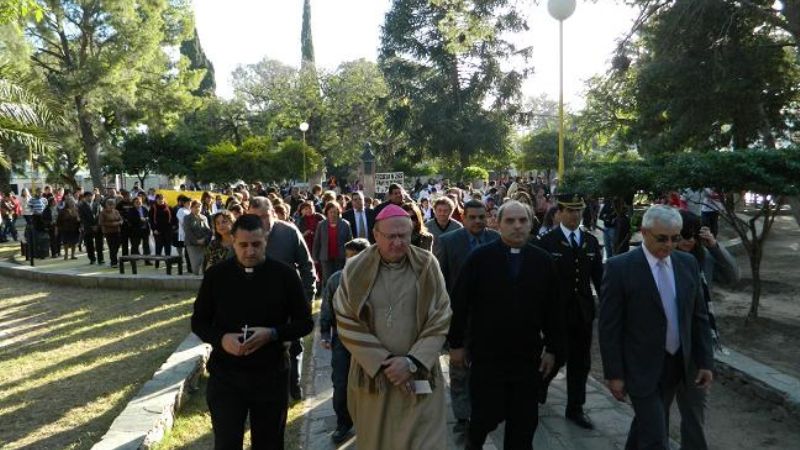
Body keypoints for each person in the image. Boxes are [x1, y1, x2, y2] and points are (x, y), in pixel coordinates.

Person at [448, 201, 565, 450]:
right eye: (510, 221)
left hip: (526, 358)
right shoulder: (479, 258)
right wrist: (456, 345)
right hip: (487, 357)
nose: (517, 226)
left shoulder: (542, 261)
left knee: (523, 426)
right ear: (497, 224)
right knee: (481, 421)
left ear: (530, 222)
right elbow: (459, 304)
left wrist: (553, 348)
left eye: (522, 220)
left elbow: (553, 310)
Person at [333, 204, 451, 449]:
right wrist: (384, 361)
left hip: (419, 373)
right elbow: (345, 318)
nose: (398, 242)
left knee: (426, 441)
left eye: (403, 236)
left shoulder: (427, 265)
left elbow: (441, 315)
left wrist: (411, 362)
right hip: (374, 377)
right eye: (391, 236)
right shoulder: (355, 268)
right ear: (376, 235)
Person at [191, 214, 314, 450]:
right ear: (232, 242)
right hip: (226, 376)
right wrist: (222, 339)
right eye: (243, 245)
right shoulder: (216, 276)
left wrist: (273, 333)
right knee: (227, 443)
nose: (250, 251)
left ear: (265, 240)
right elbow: (199, 322)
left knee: (269, 444)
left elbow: (305, 323)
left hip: (270, 375)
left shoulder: (285, 275)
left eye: (256, 244)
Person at [599, 205, 714, 450]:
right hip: (640, 367)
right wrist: (614, 374)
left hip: (678, 364)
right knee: (655, 438)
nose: (670, 245)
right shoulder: (620, 267)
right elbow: (610, 327)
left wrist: (705, 361)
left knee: (646, 426)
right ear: (644, 232)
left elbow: (698, 317)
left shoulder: (687, 263)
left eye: (676, 238)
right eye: (662, 238)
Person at [535, 194, 603, 429]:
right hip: (556, 314)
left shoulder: (590, 242)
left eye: (579, 211)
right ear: (559, 213)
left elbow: (599, 279)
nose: (575, 215)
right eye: (571, 211)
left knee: (581, 362)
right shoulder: (546, 243)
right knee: (556, 357)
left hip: (583, 313)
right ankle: (538, 388)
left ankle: (575, 408)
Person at [673, 210, 739, 450]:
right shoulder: (661, 260)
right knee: (653, 412)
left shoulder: (703, 260)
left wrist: (714, 246)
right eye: (682, 234)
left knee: (694, 411)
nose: (688, 240)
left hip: (697, 345)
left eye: (693, 234)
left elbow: (733, 276)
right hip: (665, 346)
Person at [434, 199, 500, 437]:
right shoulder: (448, 242)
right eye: (472, 217)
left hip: (491, 320)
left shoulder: (496, 239)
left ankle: (485, 411)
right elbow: (440, 283)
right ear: (463, 218)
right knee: (459, 370)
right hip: (460, 319)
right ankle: (463, 417)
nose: (478, 221)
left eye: (482, 217)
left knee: (487, 369)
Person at [249, 196, 316, 401]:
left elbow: (307, 266)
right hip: (257, 304)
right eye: (254, 217)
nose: (260, 222)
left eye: (263, 216)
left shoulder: (288, 232)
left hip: (289, 301)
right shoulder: (246, 235)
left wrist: (306, 296)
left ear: (273, 212)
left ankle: (293, 384)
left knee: (293, 345)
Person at [319, 237, 370, 444]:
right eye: (348, 257)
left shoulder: (376, 278)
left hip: (371, 341)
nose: (351, 261)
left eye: (356, 257)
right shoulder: (335, 280)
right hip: (343, 340)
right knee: (341, 384)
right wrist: (324, 333)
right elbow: (326, 310)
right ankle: (343, 423)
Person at [312, 201, 352, 287]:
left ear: (338, 212)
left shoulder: (345, 224)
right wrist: (314, 257)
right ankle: (327, 297)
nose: (333, 214)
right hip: (326, 257)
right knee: (328, 279)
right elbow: (317, 242)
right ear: (327, 212)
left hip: (340, 256)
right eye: (331, 212)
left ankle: (338, 297)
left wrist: (350, 257)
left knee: (339, 279)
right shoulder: (321, 225)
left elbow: (350, 241)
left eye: (335, 211)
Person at [78, 191, 104, 265]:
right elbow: (82, 218)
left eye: (91, 196)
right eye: (88, 196)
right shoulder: (81, 206)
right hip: (88, 227)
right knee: (89, 244)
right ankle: (92, 258)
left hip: (98, 226)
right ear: (85, 197)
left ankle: (100, 259)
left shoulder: (97, 204)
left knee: (99, 244)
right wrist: (90, 226)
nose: (90, 197)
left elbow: (100, 216)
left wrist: (97, 225)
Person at [98, 198, 123, 268]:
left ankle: (113, 257)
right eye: (110, 205)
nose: (111, 206)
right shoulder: (103, 213)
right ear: (106, 205)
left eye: (113, 205)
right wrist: (112, 224)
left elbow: (120, 219)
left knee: (117, 245)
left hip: (117, 230)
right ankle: (113, 261)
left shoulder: (116, 211)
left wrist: (119, 222)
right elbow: (101, 222)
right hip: (108, 232)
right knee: (112, 247)